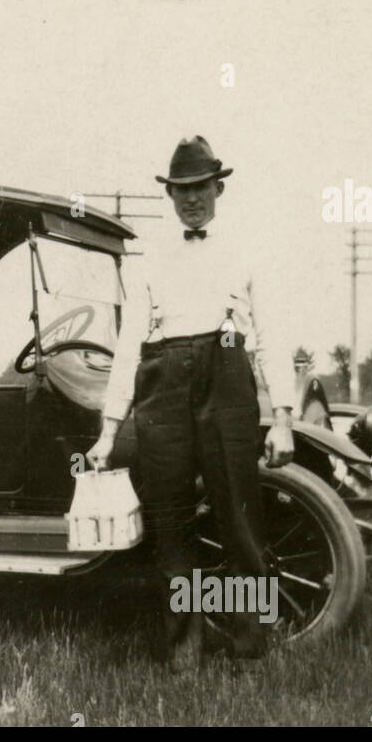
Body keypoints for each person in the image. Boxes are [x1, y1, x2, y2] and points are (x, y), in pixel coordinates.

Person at [86, 136, 297, 663]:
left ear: (218, 187)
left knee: (240, 519)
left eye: (200, 188)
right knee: (173, 524)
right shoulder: (150, 257)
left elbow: (271, 335)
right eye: (180, 190)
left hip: (227, 384)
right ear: (171, 195)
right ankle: (184, 651)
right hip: (163, 393)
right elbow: (129, 346)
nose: (191, 199)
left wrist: (284, 418)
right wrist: (110, 431)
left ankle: (251, 647)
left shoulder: (248, 250)